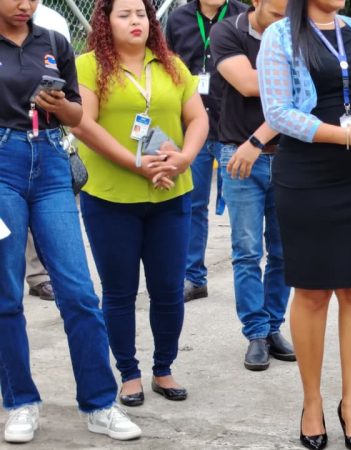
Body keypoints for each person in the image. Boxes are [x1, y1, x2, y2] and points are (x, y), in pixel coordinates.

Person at [0, 0, 140, 442]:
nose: (26, 4)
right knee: (6, 294)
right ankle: (20, 402)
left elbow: (79, 116)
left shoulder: (54, 41)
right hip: (2, 166)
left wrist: (59, 104)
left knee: (78, 291)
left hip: (52, 162)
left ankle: (99, 403)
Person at [258, 0, 351, 447]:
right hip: (308, 174)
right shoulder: (280, 36)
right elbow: (278, 112)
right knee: (313, 291)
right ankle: (312, 402)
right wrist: (345, 135)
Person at [71, 0, 208, 408]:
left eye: (141, 14)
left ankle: (163, 368)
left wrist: (183, 159)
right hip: (111, 196)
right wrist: (137, 164)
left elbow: (198, 119)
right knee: (119, 291)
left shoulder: (171, 65)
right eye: (124, 14)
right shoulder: (87, 66)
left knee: (168, 289)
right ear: (105, 21)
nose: (136, 21)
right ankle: (128, 373)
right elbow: (84, 124)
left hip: (171, 192)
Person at [210, 0, 294, 370]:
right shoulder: (227, 30)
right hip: (239, 154)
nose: (282, 23)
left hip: (289, 156)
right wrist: (293, 79)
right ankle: (256, 332)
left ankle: (274, 326)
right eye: (275, 14)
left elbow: (301, 93)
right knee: (246, 251)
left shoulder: (296, 32)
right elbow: (246, 84)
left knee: (284, 252)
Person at [166, 0, 248, 302]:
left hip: (236, 129)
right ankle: (193, 277)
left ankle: (248, 280)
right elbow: (168, 67)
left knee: (243, 207)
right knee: (192, 204)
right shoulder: (178, 19)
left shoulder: (244, 16)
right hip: (195, 128)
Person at [23, 2, 73, 303]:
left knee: (42, 212)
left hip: (44, 135)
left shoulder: (53, 24)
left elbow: (69, 86)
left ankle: (41, 274)